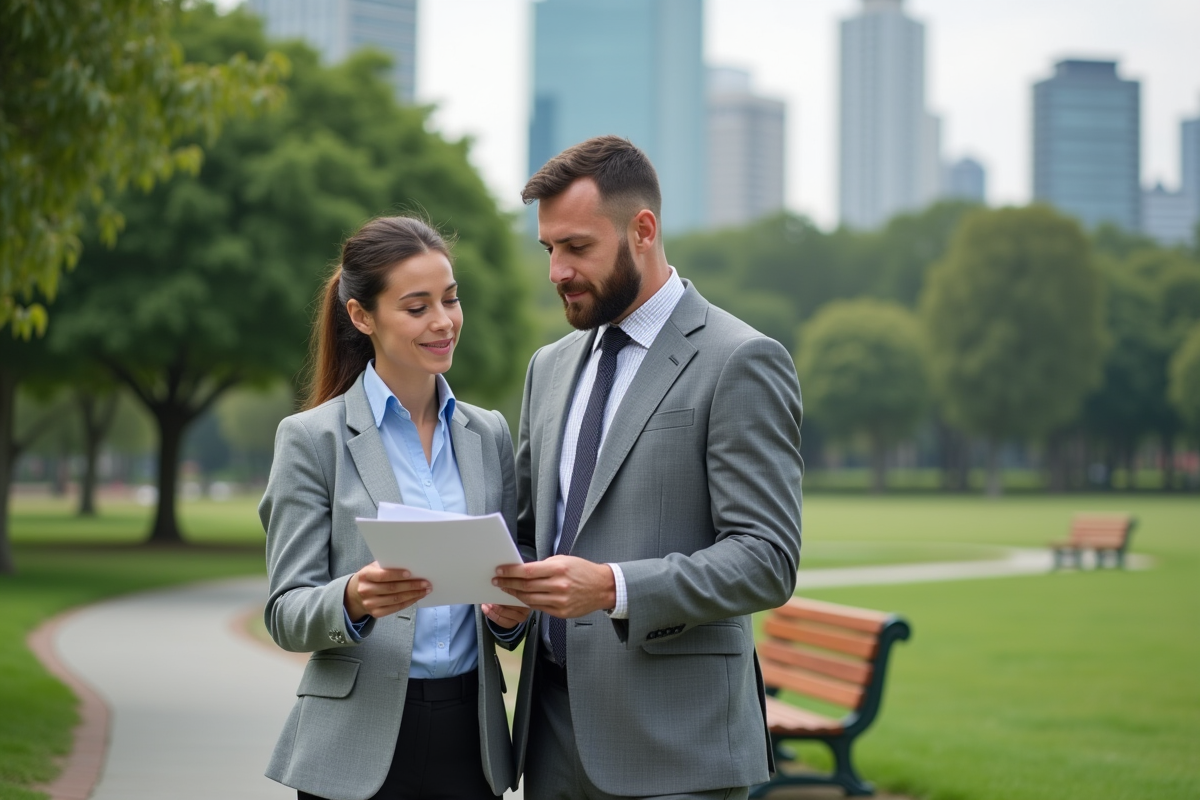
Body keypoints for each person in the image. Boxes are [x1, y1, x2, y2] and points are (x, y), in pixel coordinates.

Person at [493, 136, 804, 800]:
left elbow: (766, 558)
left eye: (577, 247)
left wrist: (611, 588)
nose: (557, 272)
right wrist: (506, 603)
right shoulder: (547, 368)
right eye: (549, 250)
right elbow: (529, 536)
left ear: (643, 231)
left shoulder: (740, 360)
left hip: (678, 751)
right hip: (549, 740)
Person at [260, 215, 530, 800]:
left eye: (451, 300)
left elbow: (509, 572)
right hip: (354, 745)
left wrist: (511, 614)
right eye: (417, 307)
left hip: (471, 739)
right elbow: (285, 611)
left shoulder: (489, 434)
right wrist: (353, 597)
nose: (443, 322)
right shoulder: (313, 439)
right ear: (362, 316)